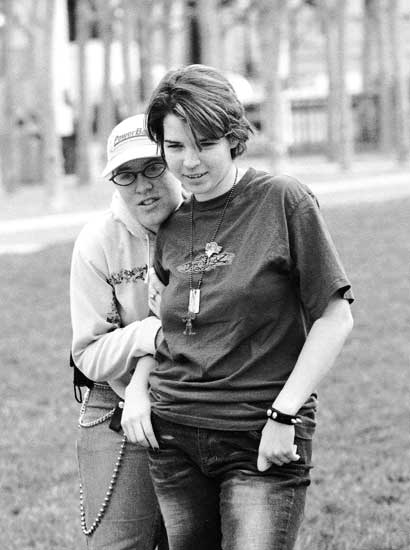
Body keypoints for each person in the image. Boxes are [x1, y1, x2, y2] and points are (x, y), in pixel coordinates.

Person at [120, 65, 355, 550]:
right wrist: (140, 391)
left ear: (233, 137)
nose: (189, 163)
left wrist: (285, 415)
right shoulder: (171, 227)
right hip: (175, 438)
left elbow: (335, 317)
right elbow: (162, 328)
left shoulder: (283, 201)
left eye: (203, 143)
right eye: (175, 147)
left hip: (260, 434)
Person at [70, 113, 182, 550]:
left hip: (198, 395)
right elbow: (90, 354)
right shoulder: (97, 242)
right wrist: (149, 334)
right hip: (113, 398)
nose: (143, 185)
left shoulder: (206, 223)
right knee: (119, 542)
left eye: (154, 167)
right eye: (126, 175)